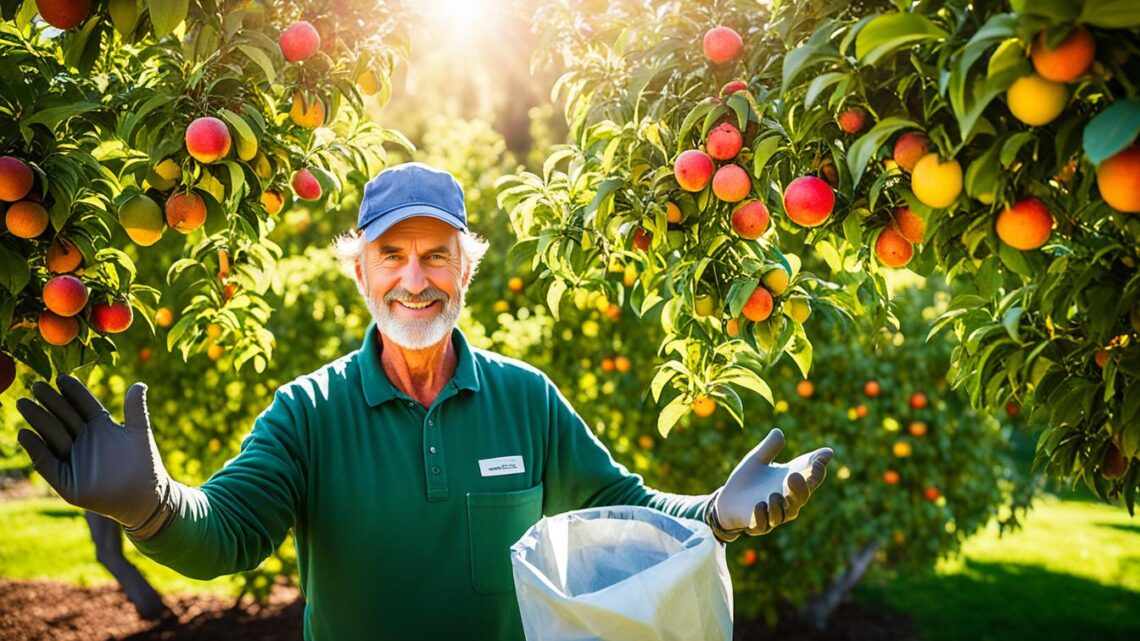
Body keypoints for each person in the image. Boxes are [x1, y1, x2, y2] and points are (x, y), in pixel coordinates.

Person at [14, 162, 834, 641]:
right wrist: (153, 507)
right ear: (361, 272)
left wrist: (719, 513)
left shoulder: (526, 399)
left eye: (436, 254)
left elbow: (628, 511)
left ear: (465, 269)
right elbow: (227, 534)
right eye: (392, 255)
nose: (415, 279)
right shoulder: (309, 412)